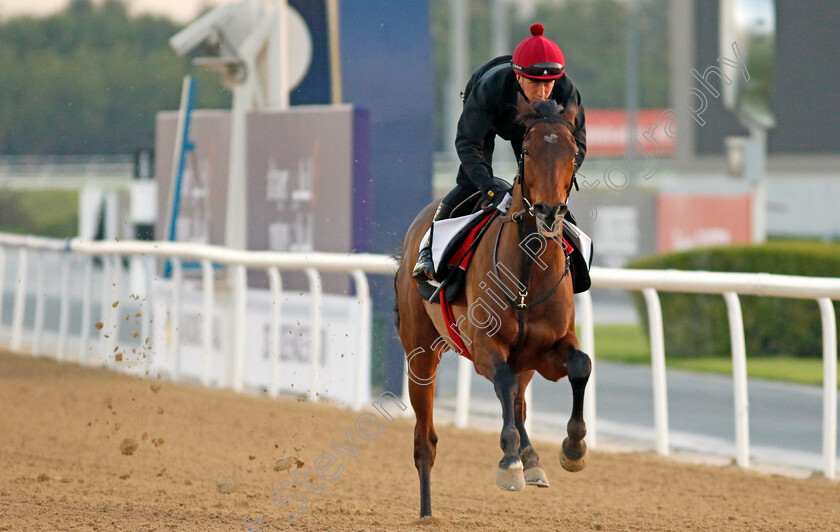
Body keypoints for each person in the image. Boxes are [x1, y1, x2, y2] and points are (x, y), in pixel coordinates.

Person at [413, 23, 587, 281]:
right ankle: (428, 249)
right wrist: (491, 189)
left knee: (546, 188)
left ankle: (576, 260)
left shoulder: (566, 91)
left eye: (548, 85)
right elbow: (467, 143)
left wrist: (554, 180)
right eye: (534, 84)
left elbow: (577, 146)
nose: (541, 93)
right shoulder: (491, 88)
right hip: (492, 117)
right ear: (518, 77)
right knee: (470, 182)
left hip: (539, 130)